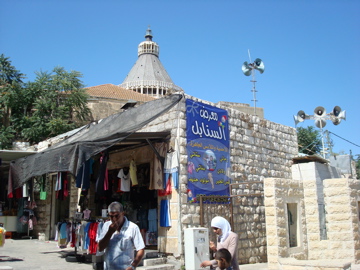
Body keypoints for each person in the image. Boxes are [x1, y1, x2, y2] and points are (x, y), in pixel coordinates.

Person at [98, 201, 145, 270]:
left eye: (116, 216)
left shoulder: (132, 227)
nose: (114, 219)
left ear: (122, 214)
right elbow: (100, 248)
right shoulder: (106, 226)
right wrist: (109, 232)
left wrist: (133, 266)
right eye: (111, 216)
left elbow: (140, 249)